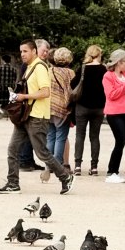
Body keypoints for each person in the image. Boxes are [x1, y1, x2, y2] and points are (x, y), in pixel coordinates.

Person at [0, 39, 72, 195]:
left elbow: (45, 92)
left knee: (42, 152)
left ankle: (65, 176)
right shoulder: (30, 67)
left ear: (33, 51)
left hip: (37, 116)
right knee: (13, 149)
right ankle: (13, 183)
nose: (22, 54)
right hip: (26, 115)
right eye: (21, 51)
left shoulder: (40, 67)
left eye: (25, 51)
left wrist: (23, 96)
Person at [70, 45, 106, 177]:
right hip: (99, 107)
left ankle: (78, 166)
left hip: (82, 106)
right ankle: (94, 167)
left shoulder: (83, 68)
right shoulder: (104, 69)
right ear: (99, 54)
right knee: (95, 137)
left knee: (80, 136)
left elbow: (73, 84)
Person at [102, 50, 125, 183]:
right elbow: (111, 95)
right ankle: (112, 171)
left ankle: (114, 171)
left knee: (122, 142)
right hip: (114, 112)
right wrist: (123, 86)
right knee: (120, 140)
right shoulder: (108, 76)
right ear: (119, 62)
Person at [45, 47, 77, 175]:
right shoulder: (70, 73)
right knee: (61, 137)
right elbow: (71, 91)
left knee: (50, 137)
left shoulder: (48, 71)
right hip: (63, 108)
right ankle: (57, 164)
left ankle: (48, 165)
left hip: (48, 107)